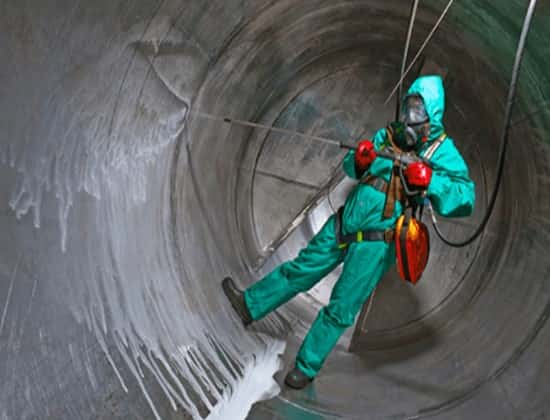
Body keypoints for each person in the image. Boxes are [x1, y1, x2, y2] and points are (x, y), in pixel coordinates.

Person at [222, 75, 475, 389]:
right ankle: (250, 305)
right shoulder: (388, 135)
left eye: (419, 110)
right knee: (301, 270)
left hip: (377, 242)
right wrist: (358, 158)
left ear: (432, 114)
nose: (411, 117)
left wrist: (431, 182)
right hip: (346, 221)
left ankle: (306, 366)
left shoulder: (443, 152)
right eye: (409, 106)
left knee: (341, 307)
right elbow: (350, 167)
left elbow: (466, 198)